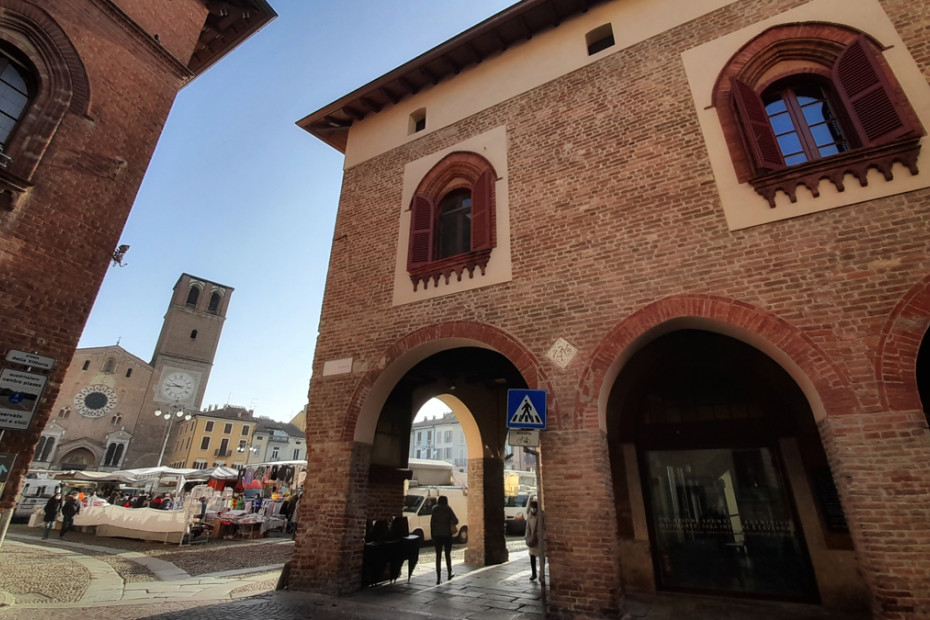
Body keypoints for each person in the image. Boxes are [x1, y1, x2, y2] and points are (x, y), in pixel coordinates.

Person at [429, 495, 459, 585]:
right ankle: (449, 573)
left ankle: (438, 578)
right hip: (447, 535)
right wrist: (450, 521)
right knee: (447, 555)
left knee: (438, 556)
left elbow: (432, 523)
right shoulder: (448, 509)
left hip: (437, 535)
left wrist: (432, 534)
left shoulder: (435, 509)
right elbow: (456, 521)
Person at [525, 498, 543, 581]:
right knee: (532, 556)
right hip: (532, 538)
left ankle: (541, 574)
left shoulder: (542, 515)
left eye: (534, 508)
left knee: (541, 556)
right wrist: (527, 537)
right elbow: (527, 527)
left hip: (540, 539)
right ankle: (534, 574)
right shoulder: (529, 515)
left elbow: (545, 527)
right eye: (532, 508)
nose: (533, 509)